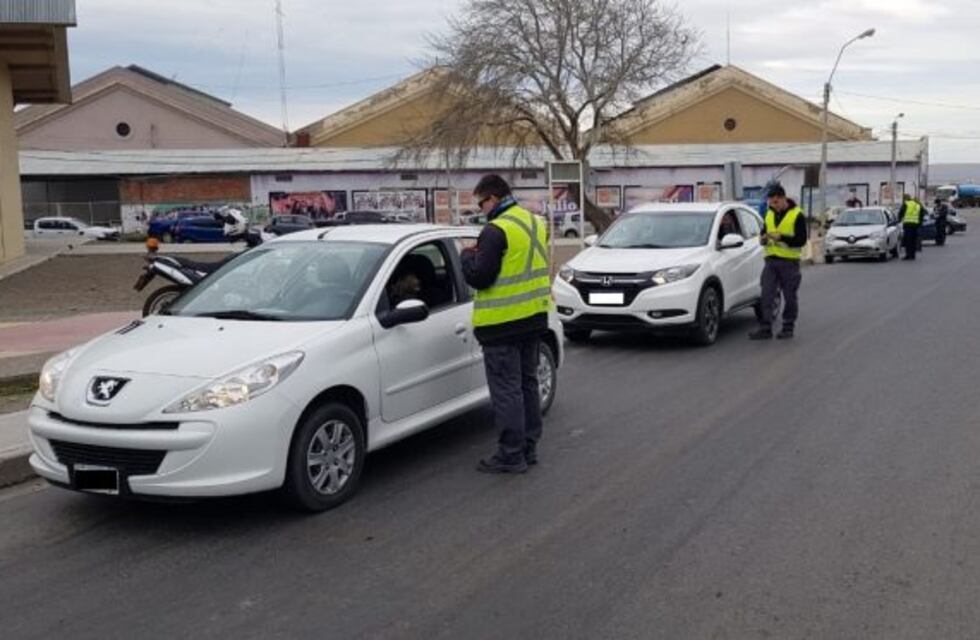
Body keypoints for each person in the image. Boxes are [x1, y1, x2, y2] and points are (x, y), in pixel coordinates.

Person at [460, 174, 551, 474]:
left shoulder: (495, 230)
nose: (481, 208)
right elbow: (518, 260)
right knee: (527, 384)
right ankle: (528, 448)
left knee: (507, 390)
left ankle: (511, 454)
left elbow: (480, 277)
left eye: (481, 202)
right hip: (534, 317)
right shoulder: (536, 223)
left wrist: (465, 258)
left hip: (502, 324)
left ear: (493, 199)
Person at [750, 183, 808, 341]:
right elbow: (764, 232)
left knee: (790, 296)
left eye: (776, 202)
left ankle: (788, 327)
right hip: (771, 261)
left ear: (783, 199)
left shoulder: (797, 215)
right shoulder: (769, 214)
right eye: (770, 202)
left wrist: (781, 237)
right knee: (766, 294)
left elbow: (801, 240)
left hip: (789, 262)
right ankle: (765, 328)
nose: (773, 205)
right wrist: (762, 239)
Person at [898, 194, 922, 260]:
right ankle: (913, 255)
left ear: (905, 199)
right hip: (915, 225)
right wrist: (919, 223)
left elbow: (901, 213)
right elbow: (921, 214)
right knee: (913, 240)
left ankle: (908, 255)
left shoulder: (906, 204)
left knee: (908, 241)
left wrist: (899, 220)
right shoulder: (917, 204)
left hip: (908, 224)